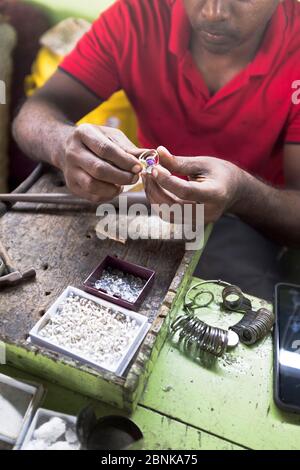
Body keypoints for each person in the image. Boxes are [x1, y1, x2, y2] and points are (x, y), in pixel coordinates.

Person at [13, 0, 300, 300]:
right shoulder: (137, 16)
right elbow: (35, 113)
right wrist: (63, 143)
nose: (214, 13)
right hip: (145, 212)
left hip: (250, 225)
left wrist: (240, 193)